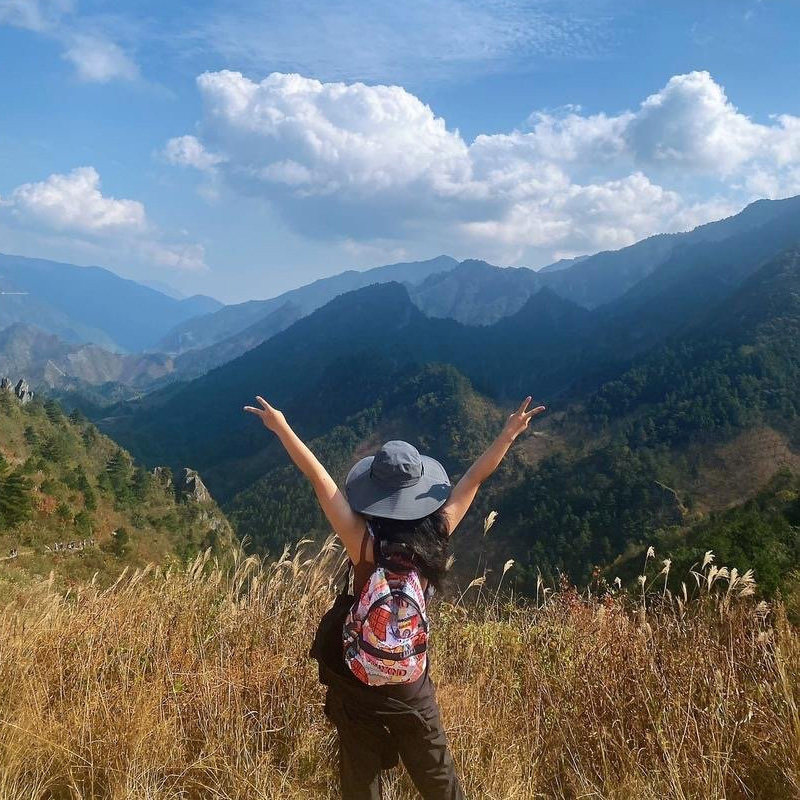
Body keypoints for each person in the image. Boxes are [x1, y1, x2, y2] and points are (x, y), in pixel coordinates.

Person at [244, 394, 545, 800]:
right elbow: (474, 479)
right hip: (412, 685)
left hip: (358, 680)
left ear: (374, 492)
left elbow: (319, 478)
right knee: (439, 779)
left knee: (360, 780)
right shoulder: (436, 535)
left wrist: (281, 427)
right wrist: (508, 434)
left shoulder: (362, 543)